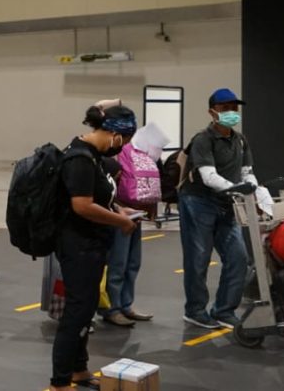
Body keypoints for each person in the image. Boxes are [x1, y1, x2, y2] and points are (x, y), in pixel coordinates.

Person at [49, 105, 139, 391]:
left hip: (91, 243)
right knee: (77, 311)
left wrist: (118, 209)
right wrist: (119, 222)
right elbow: (82, 205)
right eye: (124, 140)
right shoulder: (80, 158)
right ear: (114, 134)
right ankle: (60, 380)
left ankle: (78, 369)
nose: (123, 146)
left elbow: (99, 196)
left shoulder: (94, 157)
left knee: (86, 309)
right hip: (78, 245)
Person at [179, 88, 265, 330]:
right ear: (212, 111)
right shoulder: (202, 139)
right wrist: (238, 188)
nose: (231, 112)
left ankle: (224, 311)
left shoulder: (240, 139)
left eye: (234, 108)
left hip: (227, 204)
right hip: (198, 203)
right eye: (225, 108)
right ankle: (195, 311)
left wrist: (254, 188)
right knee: (198, 259)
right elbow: (208, 176)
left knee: (238, 257)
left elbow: (248, 172)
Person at [103, 123, 167, 327]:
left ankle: (125, 304)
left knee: (132, 262)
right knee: (118, 264)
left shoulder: (141, 154)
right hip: (118, 214)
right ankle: (112, 308)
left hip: (135, 213)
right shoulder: (116, 152)